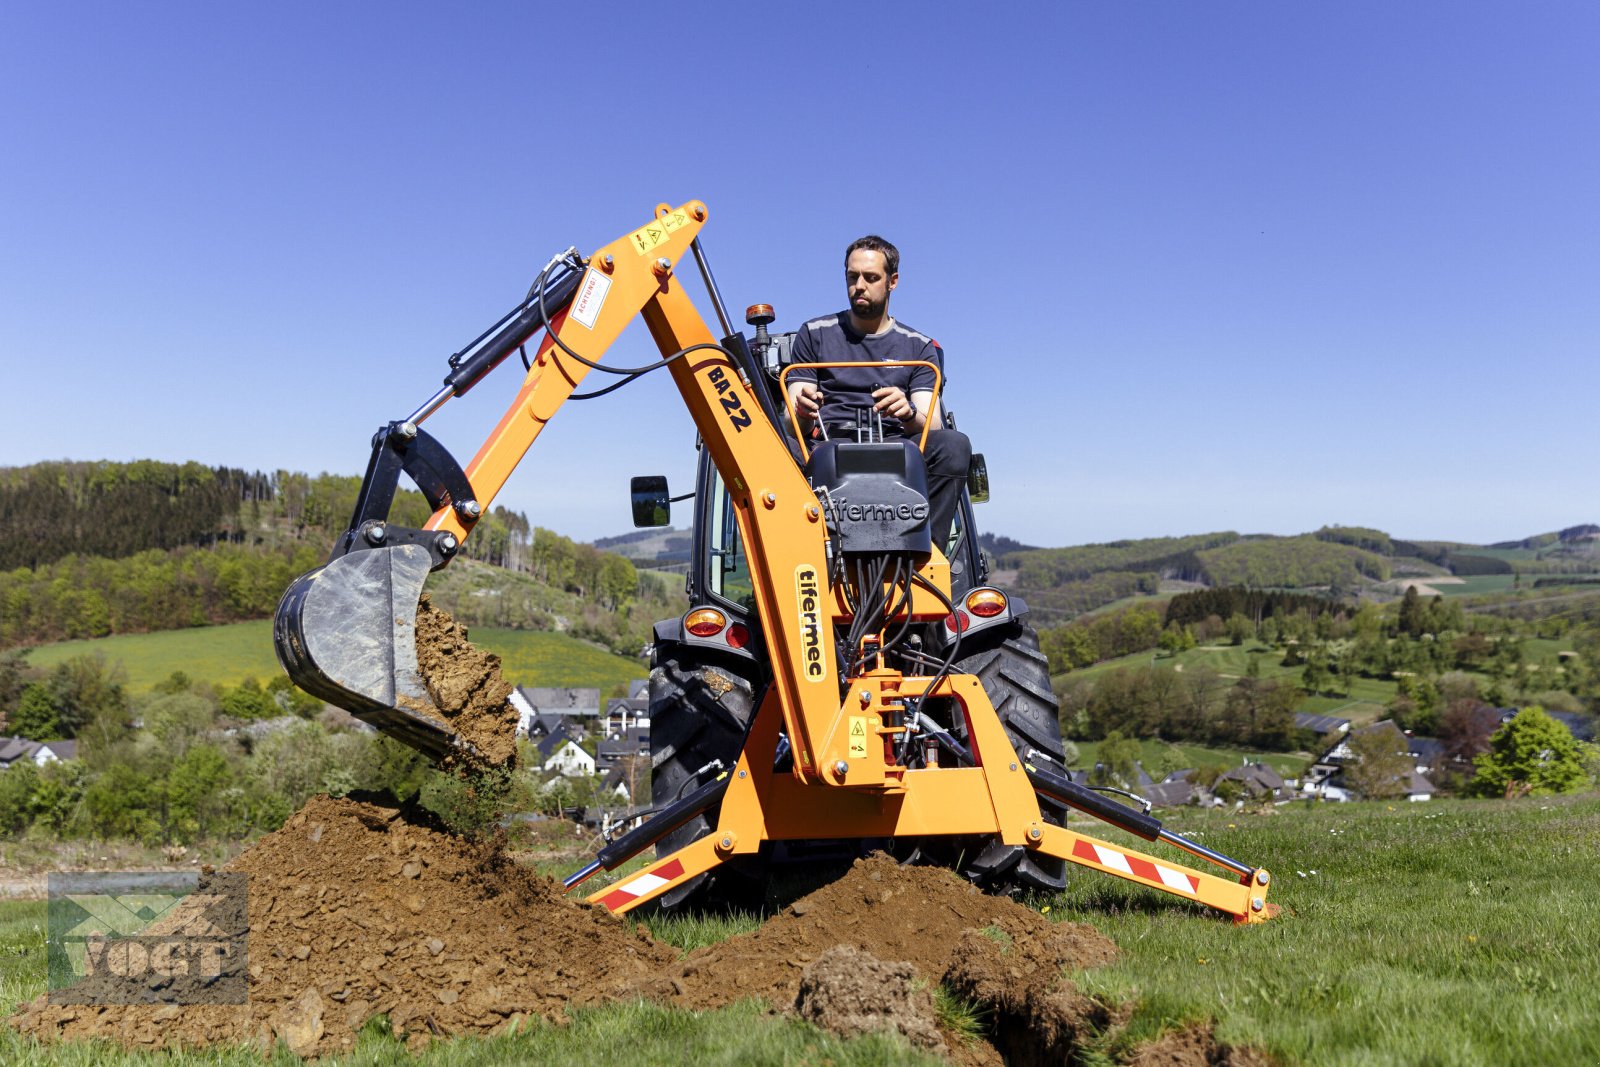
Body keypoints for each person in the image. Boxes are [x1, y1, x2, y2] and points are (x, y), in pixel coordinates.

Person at [786, 235, 972, 551]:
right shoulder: (814, 335)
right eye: (852, 276)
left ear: (892, 282)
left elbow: (933, 423)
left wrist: (908, 412)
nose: (860, 285)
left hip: (895, 445)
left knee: (954, 446)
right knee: (770, 449)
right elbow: (794, 423)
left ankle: (929, 556)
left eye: (871, 278)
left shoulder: (918, 346)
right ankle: (798, 552)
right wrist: (802, 412)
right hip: (826, 444)